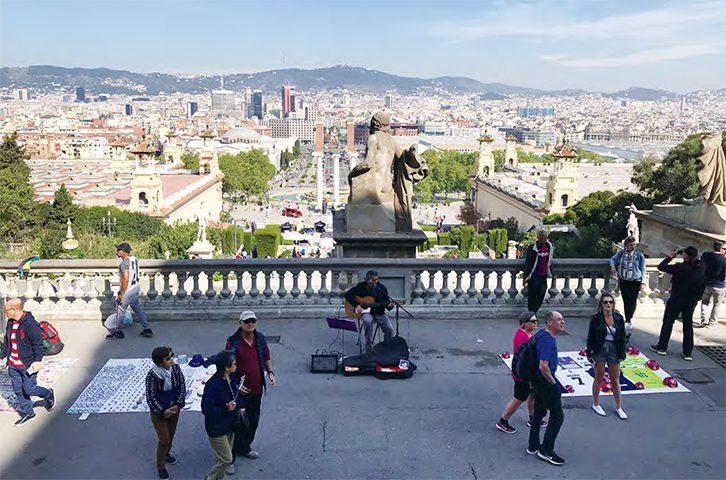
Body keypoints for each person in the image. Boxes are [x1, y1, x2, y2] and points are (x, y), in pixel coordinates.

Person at [224, 311, 276, 474]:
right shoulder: (233, 342)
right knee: (236, 425)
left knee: (253, 422)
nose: (250, 324)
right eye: (247, 321)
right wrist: (235, 385)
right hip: (239, 392)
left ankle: (244, 447)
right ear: (240, 323)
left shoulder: (260, 338)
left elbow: (266, 356)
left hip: (257, 388)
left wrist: (270, 372)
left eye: (253, 321)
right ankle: (229, 459)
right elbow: (226, 366)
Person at [0, 298, 56, 426]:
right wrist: (1, 357)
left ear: (15, 310)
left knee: (30, 389)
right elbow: (7, 342)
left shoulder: (30, 324)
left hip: (27, 364)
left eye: (6, 310)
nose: (5, 312)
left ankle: (48, 394)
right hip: (13, 364)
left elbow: (38, 344)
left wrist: (37, 361)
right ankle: (28, 412)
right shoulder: (11, 322)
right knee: (18, 390)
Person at [650, 246, 705, 361]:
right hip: (691, 300)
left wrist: (671, 257)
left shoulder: (681, 268)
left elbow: (661, 267)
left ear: (685, 256)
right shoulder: (701, 266)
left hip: (677, 298)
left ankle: (662, 347)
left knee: (668, 322)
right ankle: (687, 352)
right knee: (688, 325)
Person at [496, 311, 547, 434]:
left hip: (524, 373)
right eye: (533, 321)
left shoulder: (527, 334)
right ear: (525, 323)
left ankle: (533, 418)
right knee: (518, 399)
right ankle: (503, 421)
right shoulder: (524, 338)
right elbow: (528, 360)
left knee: (532, 395)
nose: (536, 323)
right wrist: (530, 378)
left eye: (537, 321)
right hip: (523, 375)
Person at [527, 311, 566, 466]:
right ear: (550, 322)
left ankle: (533, 445)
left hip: (536, 380)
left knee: (539, 411)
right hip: (544, 380)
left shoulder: (541, 334)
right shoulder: (548, 340)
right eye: (559, 319)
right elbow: (543, 366)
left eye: (562, 319)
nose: (562, 322)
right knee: (557, 415)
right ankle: (547, 450)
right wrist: (553, 383)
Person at [145, 346, 186, 480]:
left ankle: (166, 454)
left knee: (171, 434)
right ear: (160, 363)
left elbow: (181, 386)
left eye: (172, 355)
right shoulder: (152, 376)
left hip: (174, 408)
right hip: (159, 412)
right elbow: (151, 398)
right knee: (164, 439)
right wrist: (163, 411)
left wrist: (178, 404)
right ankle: (161, 466)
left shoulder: (176, 368)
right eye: (168, 358)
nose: (172, 359)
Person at [202, 350, 244, 480]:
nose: (236, 366)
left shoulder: (231, 377)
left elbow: (235, 392)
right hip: (217, 428)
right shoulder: (213, 385)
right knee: (226, 459)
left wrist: (240, 405)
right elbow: (206, 409)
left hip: (230, 424)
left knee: (223, 459)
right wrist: (226, 408)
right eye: (234, 364)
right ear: (226, 367)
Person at [586, 292, 628, 420]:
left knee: (615, 379)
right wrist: (589, 353)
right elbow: (590, 336)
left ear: (613, 304)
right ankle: (596, 404)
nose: (608, 304)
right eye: (605, 302)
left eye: (610, 302)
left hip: (614, 349)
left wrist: (622, 352)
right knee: (599, 377)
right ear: (602, 304)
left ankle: (619, 407)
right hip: (600, 348)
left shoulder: (619, 318)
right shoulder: (596, 319)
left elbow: (622, 336)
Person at [107, 243, 152, 340]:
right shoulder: (135, 259)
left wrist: (122, 294)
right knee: (137, 308)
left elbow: (125, 279)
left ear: (123, 251)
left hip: (128, 289)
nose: (117, 252)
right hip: (135, 287)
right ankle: (147, 329)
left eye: (118, 250)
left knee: (119, 310)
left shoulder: (124, 263)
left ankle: (118, 332)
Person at [344, 270, 395, 352]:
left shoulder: (381, 288)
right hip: (365, 312)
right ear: (368, 280)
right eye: (373, 280)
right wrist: (357, 305)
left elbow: (386, 303)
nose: (375, 282)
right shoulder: (361, 286)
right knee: (368, 321)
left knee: (390, 329)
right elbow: (347, 294)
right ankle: (369, 346)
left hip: (379, 312)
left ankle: (386, 347)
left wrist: (390, 306)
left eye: (376, 279)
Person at [610, 236, 646, 329]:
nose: (633, 247)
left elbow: (643, 269)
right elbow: (613, 259)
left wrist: (643, 282)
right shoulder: (622, 253)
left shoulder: (639, 255)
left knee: (632, 300)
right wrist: (613, 266)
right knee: (626, 300)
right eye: (631, 245)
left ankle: (629, 319)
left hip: (635, 281)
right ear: (626, 246)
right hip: (624, 280)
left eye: (634, 245)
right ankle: (627, 318)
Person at [523, 231, 554, 314]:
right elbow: (528, 263)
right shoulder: (532, 248)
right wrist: (525, 277)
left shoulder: (549, 247)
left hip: (543, 276)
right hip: (534, 276)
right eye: (541, 238)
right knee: (532, 296)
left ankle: (534, 311)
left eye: (545, 238)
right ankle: (532, 313)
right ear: (538, 238)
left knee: (541, 294)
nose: (543, 240)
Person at [698, 240, 726, 329]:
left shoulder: (706, 255)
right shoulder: (724, 260)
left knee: (704, 301)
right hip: (719, 285)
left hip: (706, 283)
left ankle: (704, 319)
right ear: (721, 249)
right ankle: (712, 322)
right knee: (717, 304)